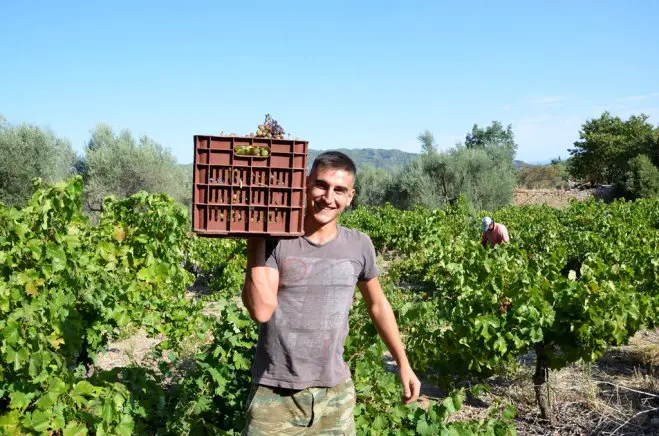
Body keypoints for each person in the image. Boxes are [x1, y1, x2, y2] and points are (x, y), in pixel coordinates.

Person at [241, 151, 421, 435]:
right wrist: (255, 238)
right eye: (321, 185)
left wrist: (403, 363)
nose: (328, 197)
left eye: (339, 190)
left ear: (351, 197)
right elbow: (261, 310)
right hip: (275, 395)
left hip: (335, 393)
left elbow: (378, 305)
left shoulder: (359, 245)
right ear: (305, 184)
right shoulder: (276, 241)